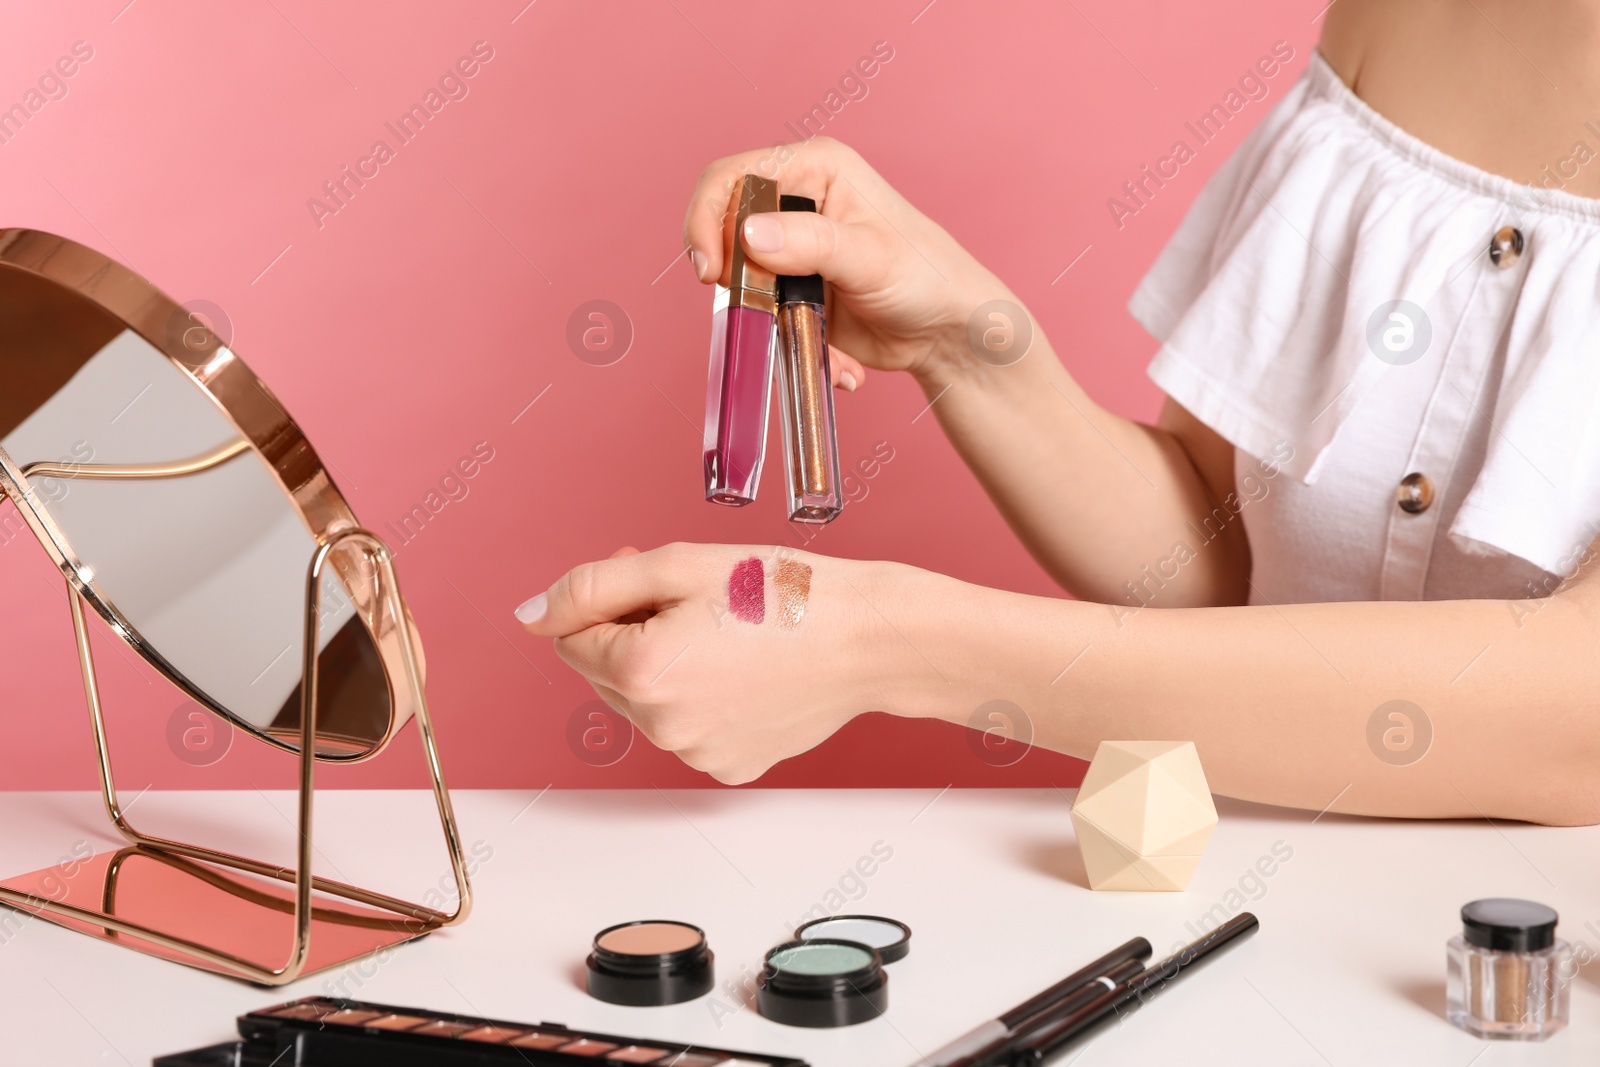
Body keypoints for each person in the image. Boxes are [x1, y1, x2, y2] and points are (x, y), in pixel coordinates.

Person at [518, 1, 1600, 826]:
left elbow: (1577, 718)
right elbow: (1225, 569)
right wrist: (967, 342)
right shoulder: (1401, 18)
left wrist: (898, 648)